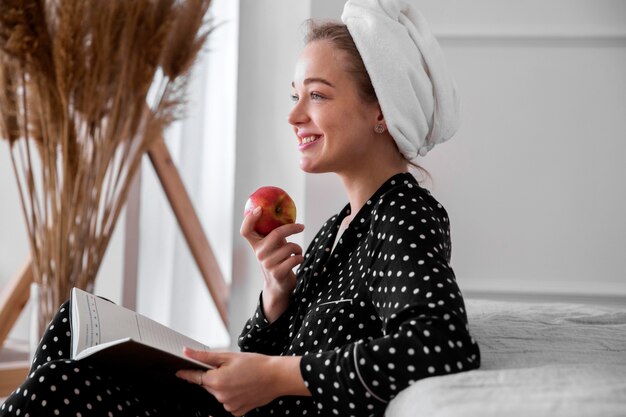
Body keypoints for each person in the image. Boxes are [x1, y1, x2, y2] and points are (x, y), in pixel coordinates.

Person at [0, 1, 480, 416]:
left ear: (382, 111)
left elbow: (442, 347)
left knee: (55, 388)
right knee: (73, 324)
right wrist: (275, 298)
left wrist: (277, 375)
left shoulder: (402, 213)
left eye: (316, 95)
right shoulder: (339, 226)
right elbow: (257, 357)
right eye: (295, 97)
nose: (294, 116)